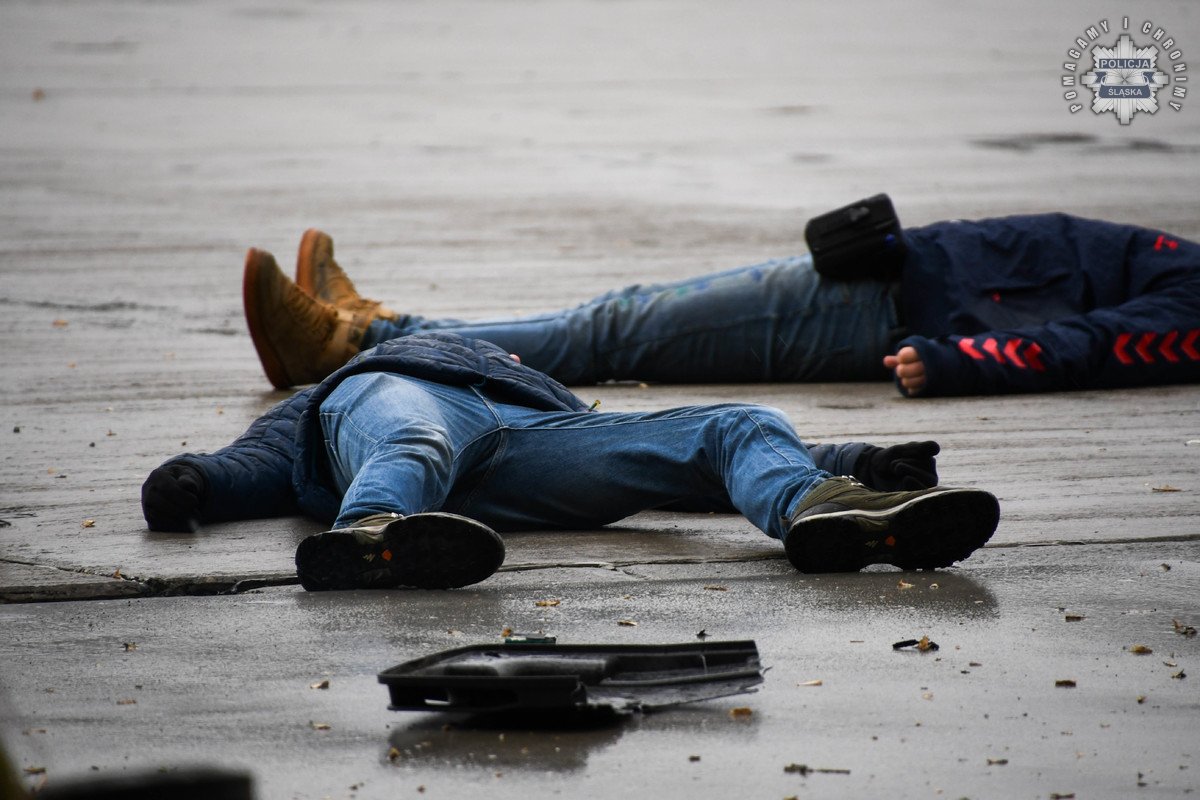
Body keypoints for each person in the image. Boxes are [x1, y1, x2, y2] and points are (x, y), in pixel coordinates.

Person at [142, 250, 1001, 592]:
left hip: (525, 448)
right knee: (418, 441)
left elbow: (680, 467)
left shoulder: (534, 384)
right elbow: (264, 455)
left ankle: (827, 511)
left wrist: (857, 456)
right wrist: (196, 481)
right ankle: (371, 536)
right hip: (401, 415)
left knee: (733, 423)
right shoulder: (363, 381)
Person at [243, 212, 1200, 397]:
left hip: (884, 318)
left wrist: (959, 363)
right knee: (615, 319)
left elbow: (1098, 345)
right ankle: (380, 327)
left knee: (610, 333)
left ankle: (354, 343)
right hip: (894, 271)